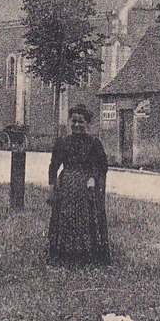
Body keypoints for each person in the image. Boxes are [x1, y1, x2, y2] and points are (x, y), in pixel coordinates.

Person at [48, 104, 110, 262]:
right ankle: (63, 253)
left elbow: (102, 166)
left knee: (86, 217)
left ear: (87, 124)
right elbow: (54, 165)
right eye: (73, 121)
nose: (76, 125)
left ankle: (87, 253)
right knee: (65, 216)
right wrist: (52, 186)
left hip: (86, 186)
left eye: (81, 122)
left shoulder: (94, 143)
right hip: (67, 184)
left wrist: (93, 178)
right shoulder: (63, 142)